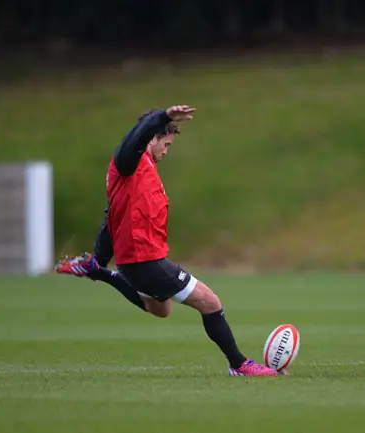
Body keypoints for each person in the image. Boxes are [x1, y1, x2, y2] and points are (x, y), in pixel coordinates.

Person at [55, 105, 279, 377]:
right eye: (167, 144)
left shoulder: (143, 169)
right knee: (210, 302)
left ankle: (98, 272)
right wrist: (163, 117)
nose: (167, 151)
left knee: (160, 309)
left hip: (136, 262)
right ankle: (240, 364)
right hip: (145, 260)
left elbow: (111, 214)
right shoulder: (129, 162)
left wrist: (99, 259)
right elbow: (135, 139)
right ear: (151, 138)